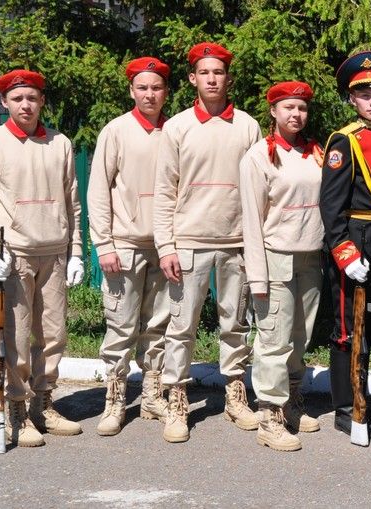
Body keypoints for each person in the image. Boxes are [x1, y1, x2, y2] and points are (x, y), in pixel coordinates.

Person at [0, 69, 85, 446]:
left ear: (41, 102)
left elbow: (74, 206)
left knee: (53, 336)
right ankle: (17, 407)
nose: (25, 104)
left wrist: (76, 253)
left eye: (32, 97)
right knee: (16, 338)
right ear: (4, 102)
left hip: (54, 254)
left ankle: (44, 404)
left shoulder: (60, 143)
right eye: (17, 98)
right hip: (14, 256)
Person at [154, 42, 262, 443]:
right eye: (205, 73)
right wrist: (165, 245)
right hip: (189, 243)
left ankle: (235, 394)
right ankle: (177, 399)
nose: (212, 79)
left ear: (228, 78)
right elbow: (165, 190)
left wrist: (256, 244)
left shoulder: (248, 126)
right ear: (192, 79)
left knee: (235, 323)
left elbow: (258, 188)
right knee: (181, 326)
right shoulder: (177, 127)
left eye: (219, 72)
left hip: (236, 242)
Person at [88, 57, 172, 436]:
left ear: (166, 92)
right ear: (131, 91)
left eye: (156, 87)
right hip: (125, 244)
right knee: (121, 325)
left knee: (160, 324)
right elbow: (98, 192)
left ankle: (153, 392)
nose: (150, 94)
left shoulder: (175, 131)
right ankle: (116, 397)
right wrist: (103, 244)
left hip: (167, 245)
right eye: (143, 87)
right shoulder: (116, 131)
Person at [239, 81, 325, 452]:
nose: (296, 115)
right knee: (273, 339)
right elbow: (251, 220)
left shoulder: (316, 153)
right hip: (276, 258)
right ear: (273, 111)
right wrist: (257, 275)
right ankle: (269, 415)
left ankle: (291, 402)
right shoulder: (259, 156)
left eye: (302, 108)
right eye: (288, 108)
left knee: (299, 337)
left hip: (311, 256)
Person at [320, 51, 371, 439]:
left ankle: (364, 394)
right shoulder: (344, 141)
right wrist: (346, 253)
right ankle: (343, 403)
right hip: (354, 243)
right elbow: (331, 205)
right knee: (347, 327)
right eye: (364, 94)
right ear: (352, 99)